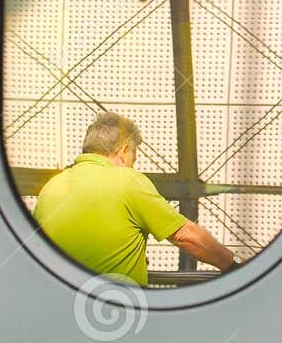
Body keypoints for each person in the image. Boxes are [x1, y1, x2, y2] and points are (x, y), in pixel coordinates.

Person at [34, 112, 238, 286]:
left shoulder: (52, 186)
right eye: (134, 158)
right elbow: (186, 236)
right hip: (113, 314)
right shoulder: (127, 180)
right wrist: (233, 264)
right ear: (123, 152)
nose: (133, 164)